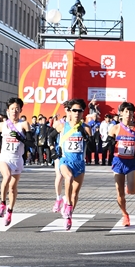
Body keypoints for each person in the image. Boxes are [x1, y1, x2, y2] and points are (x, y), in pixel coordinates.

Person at [0, 98, 31, 226]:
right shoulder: (2, 125)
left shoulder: (24, 124)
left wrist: (20, 137)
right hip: (4, 157)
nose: (14, 111)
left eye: (17, 109)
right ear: (8, 111)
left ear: (21, 110)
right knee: (6, 176)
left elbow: (32, 144)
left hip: (17, 159)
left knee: (13, 188)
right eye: (12, 109)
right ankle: (2, 203)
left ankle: (10, 211)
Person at [54, 99, 91, 231]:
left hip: (79, 163)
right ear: (69, 111)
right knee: (68, 178)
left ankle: (69, 217)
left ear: (83, 113)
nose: (76, 113)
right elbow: (50, 136)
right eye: (74, 110)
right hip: (65, 160)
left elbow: (91, 146)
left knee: (75, 193)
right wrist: (55, 149)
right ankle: (67, 204)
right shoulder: (62, 125)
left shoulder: (86, 128)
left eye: (79, 111)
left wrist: (85, 135)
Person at [106, 102, 135, 226]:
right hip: (118, 162)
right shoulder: (115, 128)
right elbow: (108, 144)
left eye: (131, 112)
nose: (128, 114)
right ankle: (124, 214)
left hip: (132, 162)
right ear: (121, 113)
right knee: (119, 192)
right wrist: (109, 145)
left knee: (132, 190)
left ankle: (130, 186)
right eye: (126, 111)